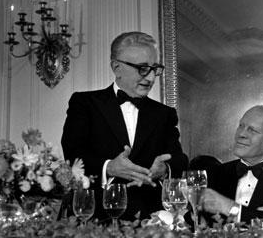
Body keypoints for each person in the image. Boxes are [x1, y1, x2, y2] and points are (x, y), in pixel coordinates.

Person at [61, 31, 188, 221]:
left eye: (155, 69)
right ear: (116, 67)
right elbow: (73, 154)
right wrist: (109, 167)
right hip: (94, 216)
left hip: (150, 220)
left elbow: (179, 160)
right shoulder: (84, 103)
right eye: (143, 68)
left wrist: (164, 169)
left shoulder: (164, 114)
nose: (151, 78)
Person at [200, 105, 263, 224]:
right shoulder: (213, 174)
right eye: (241, 126)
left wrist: (231, 209)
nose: (241, 134)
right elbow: (193, 221)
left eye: (252, 130)